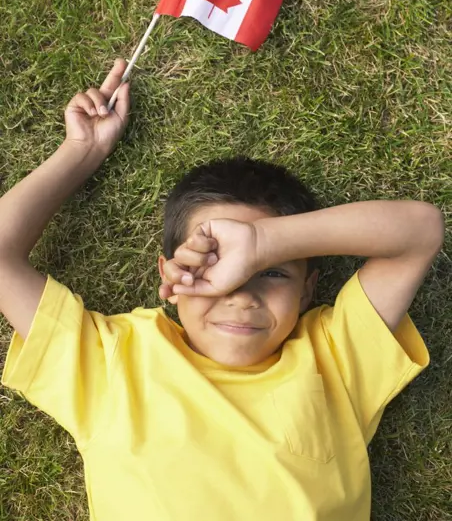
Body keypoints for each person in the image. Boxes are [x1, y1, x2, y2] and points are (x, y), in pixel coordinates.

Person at [0, 59, 444, 521]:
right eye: (213, 265)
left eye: (271, 273)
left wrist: (262, 243)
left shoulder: (334, 359)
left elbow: (421, 231)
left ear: (308, 290)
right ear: (169, 271)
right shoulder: (112, 360)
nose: (239, 294)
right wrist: (81, 150)